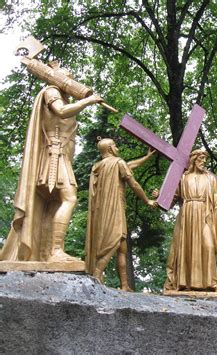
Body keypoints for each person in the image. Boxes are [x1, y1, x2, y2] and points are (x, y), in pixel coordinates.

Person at [1, 67, 103, 262]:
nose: (72, 83)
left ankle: (48, 251)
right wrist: (87, 101)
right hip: (53, 156)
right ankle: (55, 251)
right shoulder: (52, 92)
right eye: (69, 79)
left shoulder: (62, 96)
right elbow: (61, 111)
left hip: (61, 156)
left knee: (57, 202)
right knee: (69, 197)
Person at [158, 149, 217, 292]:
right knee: (186, 247)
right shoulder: (184, 178)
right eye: (201, 159)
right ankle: (185, 283)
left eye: (205, 160)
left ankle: (212, 283)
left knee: (208, 246)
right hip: (188, 215)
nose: (203, 162)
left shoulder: (210, 179)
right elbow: (171, 199)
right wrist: (159, 196)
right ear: (194, 160)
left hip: (205, 215)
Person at [85, 138, 156, 291]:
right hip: (114, 207)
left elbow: (129, 166)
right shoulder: (117, 162)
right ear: (110, 148)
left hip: (102, 209)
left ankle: (124, 285)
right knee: (115, 240)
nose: (117, 148)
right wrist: (147, 201)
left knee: (122, 248)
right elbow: (134, 184)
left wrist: (147, 157)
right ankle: (96, 274)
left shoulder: (97, 167)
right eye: (115, 145)